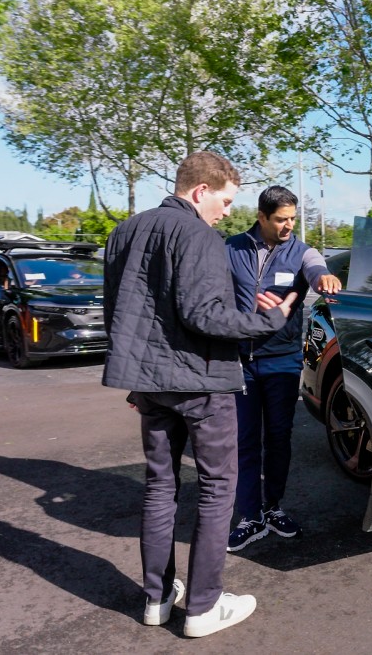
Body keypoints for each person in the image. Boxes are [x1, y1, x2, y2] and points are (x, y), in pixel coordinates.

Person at [102, 151, 299, 639]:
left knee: (160, 486)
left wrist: (137, 376)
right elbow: (204, 316)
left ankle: (157, 598)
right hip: (202, 382)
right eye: (226, 200)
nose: (227, 211)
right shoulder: (199, 234)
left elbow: (120, 312)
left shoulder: (123, 232)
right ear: (199, 191)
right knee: (216, 489)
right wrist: (268, 320)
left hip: (150, 383)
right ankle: (204, 607)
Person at [224, 186, 342, 552]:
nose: (289, 225)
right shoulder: (229, 248)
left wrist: (325, 279)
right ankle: (249, 516)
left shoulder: (302, 251)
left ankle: (273, 507)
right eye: (281, 219)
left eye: (293, 218)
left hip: (282, 362)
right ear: (261, 217)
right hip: (239, 362)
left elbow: (316, 268)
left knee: (278, 438)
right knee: (245, 441)